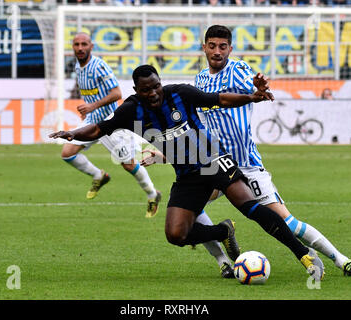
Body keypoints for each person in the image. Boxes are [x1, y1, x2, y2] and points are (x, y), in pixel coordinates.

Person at [49, 64, 325, 281]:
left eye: (156, 86)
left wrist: (253, 97)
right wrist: (73, 133)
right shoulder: (131, 110)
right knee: (176, 235)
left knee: (250, 207)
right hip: (187, 175)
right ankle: (221, 231)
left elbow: (220, 99)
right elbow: (99, 128)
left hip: (213, 160)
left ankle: (305, 256)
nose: (154, 93)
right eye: (147, 90)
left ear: (160, 83)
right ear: (137, 90)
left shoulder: (180, 93)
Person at [192, 25, 351, 277]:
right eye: (212, 46)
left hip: (246, 166)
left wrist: (259, 87)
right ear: (204, 47)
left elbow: (254, 86)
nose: (217, 51)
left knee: (287, 222)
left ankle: (342, 260)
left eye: (222, 46)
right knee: (190, 208)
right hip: (217, 165)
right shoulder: (200, 80)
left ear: (230, 49)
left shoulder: (236, 70)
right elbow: (200, 124)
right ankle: (223, 263)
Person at [60, 32, 161, 218]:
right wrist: (90, 109)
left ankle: (153, 194)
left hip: (112, 123)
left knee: (129, 165)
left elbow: (117, 93)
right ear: (72, 47)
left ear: (91, 46)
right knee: (67, 153)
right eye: (76, 44)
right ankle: (100, 176)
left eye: (84, 44)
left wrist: (92, 105)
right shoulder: (78, 66)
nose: (80, 48)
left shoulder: (99, 66)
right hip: (92, 122)